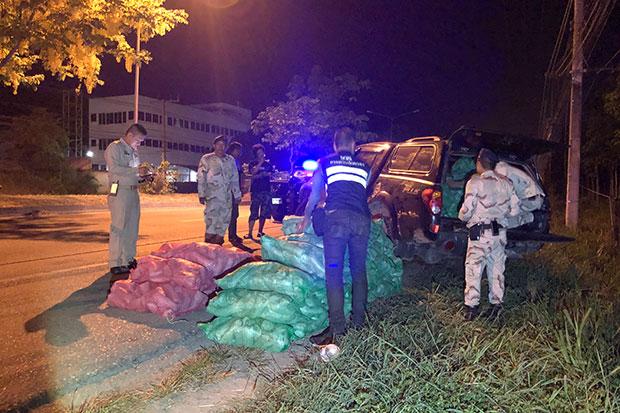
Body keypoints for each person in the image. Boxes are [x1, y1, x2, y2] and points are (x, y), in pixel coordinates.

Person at [298, 127, 371, 346]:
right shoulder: (365, 167)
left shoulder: (325, 163)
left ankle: (337, 329)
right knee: (359, 272)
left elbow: (314, 195)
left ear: (335, 145)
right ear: (354, 145)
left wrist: (306, 218)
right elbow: (361, 194)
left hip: (336, 221)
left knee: (334, 273)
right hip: (361, 221)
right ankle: (359, 323)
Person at [459, 148, 520, 321]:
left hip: (480, 234)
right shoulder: (507, 183)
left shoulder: (475, 182)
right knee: (497, 270)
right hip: (499, 234)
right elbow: (515, 211)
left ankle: (471, 309)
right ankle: (496, 307)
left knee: (474, 269)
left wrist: (463, 217)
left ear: (480, 163)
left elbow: (466, 211)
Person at [104, 123, 148, 277]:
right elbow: (114, 168)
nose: (139, 144)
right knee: (118, 227)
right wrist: (136, 170)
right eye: (138, 140)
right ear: (130, 135)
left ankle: (128, 259)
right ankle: (115, 262)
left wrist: (143, 177)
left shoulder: (134, 152)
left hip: (133, 192)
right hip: (119, 191)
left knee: (132, 228)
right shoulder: (114, 148)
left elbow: (133, 174)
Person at [197, 136, 241, 245]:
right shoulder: (206, 159)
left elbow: (234, 178)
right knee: (211, 222)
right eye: (218, 144)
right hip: (212, 197)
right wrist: (201, 194)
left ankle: (218, 244)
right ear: (214, 145)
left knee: (224, 221)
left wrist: (237, 194)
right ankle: (209, 246)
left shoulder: (230, 160)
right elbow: (201, 177)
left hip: (226, 198)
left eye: (223, 145)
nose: (221, 147)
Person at [495, 161, 545, 228]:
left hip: (531, 200)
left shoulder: (500, 173)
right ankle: (533, 217)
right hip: (532, 196)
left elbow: (514, 203)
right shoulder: (500, 168)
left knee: (502, 222)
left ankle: (534, 217)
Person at [245, 144, 273, 241]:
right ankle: (249, 232)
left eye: (262, 152)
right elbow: (252, 174)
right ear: (256, 154)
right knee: (253, 212)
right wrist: (260, 163)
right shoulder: (252, 163)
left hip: (266, 190)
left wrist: (264, 175)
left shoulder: (268, 165)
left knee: (264, 213)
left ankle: (260, 231)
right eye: (259, 152)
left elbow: (271, 175)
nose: (261, 154)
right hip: (256, 191)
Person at [227, 141, 244, 245]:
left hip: (235, 191)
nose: (239, 153)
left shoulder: (236, 161)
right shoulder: (228, 160)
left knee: (235, 214)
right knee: (232, 214)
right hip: (230, 192)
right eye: (238, 150)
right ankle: (231, 236)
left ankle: (233, 234)